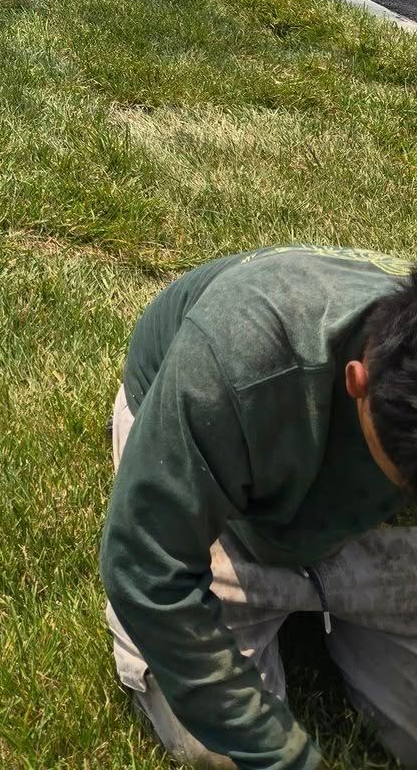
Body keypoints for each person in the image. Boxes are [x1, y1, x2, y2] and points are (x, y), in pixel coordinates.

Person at [101, 247, 417, 768]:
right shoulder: (236, 363)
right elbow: (147, 565)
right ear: (357, 381)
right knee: (223, 754)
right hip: (218, 441)